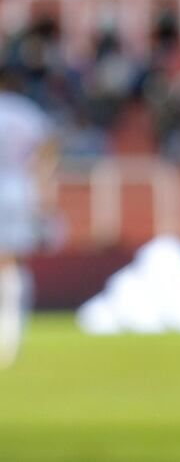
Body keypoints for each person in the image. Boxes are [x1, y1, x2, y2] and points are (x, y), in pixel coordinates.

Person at [0, 67, 60, 369]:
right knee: (13, 261)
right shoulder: (28, 112)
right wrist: (45, 190)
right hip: (21, 191)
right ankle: (10, 333)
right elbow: (48, 152)